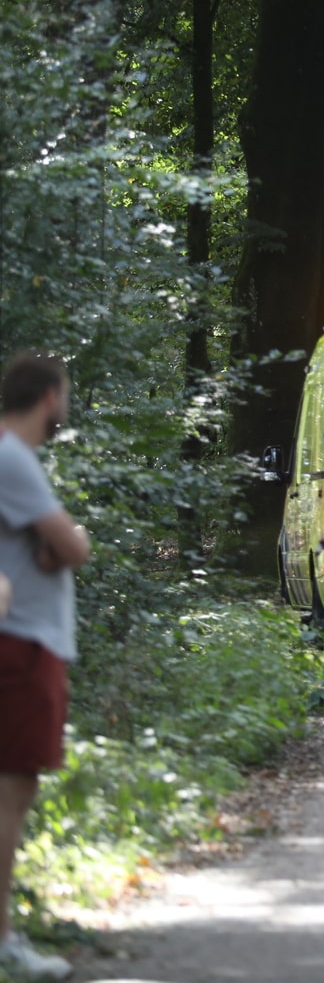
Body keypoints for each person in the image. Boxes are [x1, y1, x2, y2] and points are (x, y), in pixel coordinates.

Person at [0, 352, 88, 983]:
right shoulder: (13, 457)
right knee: (11, 790)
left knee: (15, 788)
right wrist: (66, 542)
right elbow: (71, 546)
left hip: (24, 639)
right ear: (50, 397)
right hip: (21, 642)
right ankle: (3, 940)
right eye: (65, 395)